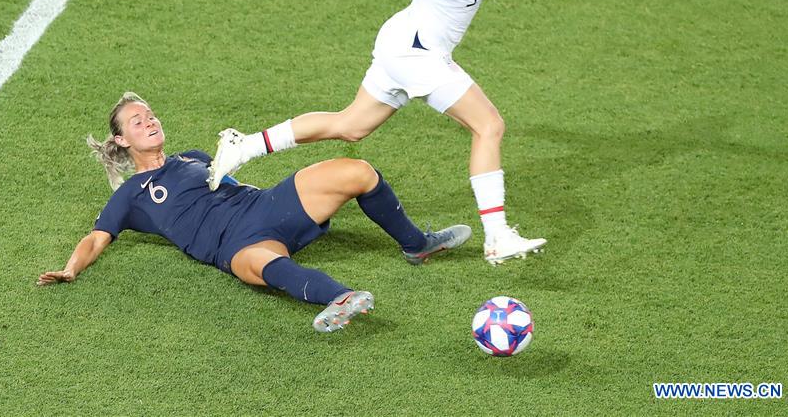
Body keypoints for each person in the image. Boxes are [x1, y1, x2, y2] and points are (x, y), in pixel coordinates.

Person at [207, 0, 630, 265]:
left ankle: (244, 146)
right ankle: (497, 235)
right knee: (489, 126)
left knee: (350, 126)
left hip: (408, 47)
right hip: (414, 52)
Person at [37, 92, 471, 333]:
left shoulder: (192, 157)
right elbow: (96, 237)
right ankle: (341, 297)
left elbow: (232, 184)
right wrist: (71, 269)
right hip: (234, 245)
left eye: (150, 115)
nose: (149, 121)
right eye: (137, 121)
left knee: (357, 171)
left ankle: (417, 244)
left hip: (264, 206)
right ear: (122, 141)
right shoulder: (132, 194)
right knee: (263, 266)